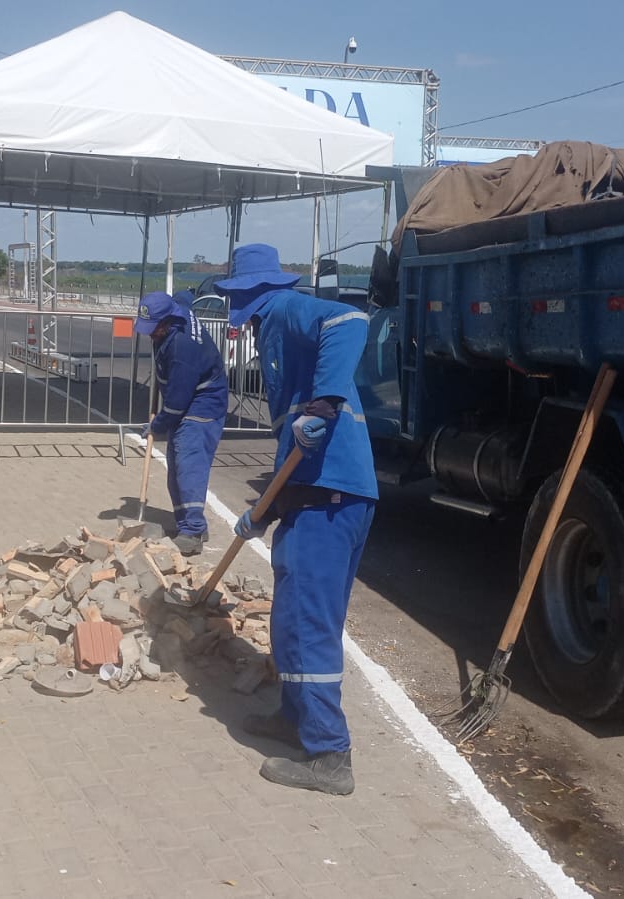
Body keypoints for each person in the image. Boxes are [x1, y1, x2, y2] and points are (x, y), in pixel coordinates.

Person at [222, 243, 376, 796]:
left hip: (332, 495)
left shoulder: (284, 309)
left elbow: (350, 318)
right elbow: (292, 443)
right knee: (290, 619)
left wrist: (326, 403)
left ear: (246, 293)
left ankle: (330, 756)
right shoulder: (272, 330)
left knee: (309, 623)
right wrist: (265, 513)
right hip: (310, 496)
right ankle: (296, 717)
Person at [135, 290, 229, 556]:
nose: (150, 334)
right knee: (175, 468)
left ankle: (194, 530)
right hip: (189, 399)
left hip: (202, 403)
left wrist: (157, 425)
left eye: (154, 329)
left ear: (168, 321)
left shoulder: (182, 348)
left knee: (188, 466)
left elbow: (177, 402)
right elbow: (184, 296)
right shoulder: (178, 311)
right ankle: (187, 523)